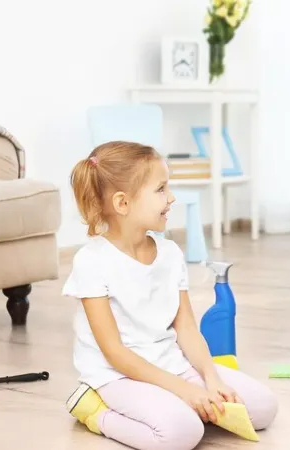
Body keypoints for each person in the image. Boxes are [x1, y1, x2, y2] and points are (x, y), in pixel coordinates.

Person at [61, 141, 278, 449]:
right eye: (161, 189)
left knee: (263, 408)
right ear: (123, 203)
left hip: (172, 364)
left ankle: (181, 404)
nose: (171, 198)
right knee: (182, 434)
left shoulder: (170, 253)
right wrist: (183, 390)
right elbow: (114, 353)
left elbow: (186, 328)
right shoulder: (91, 261)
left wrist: (211, 377)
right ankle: (95, 411)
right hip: (118, 376)